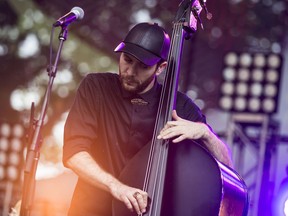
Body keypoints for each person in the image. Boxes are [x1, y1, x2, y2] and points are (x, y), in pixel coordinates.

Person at [63, 22, 233, 216]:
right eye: (127, 60)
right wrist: (116, 186)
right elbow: (73, 153)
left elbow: (227, 170)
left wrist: (206, 133)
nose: (130, 71)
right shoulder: (95, 87)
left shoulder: (182, 106)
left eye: (143, 66)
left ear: (160, 68)